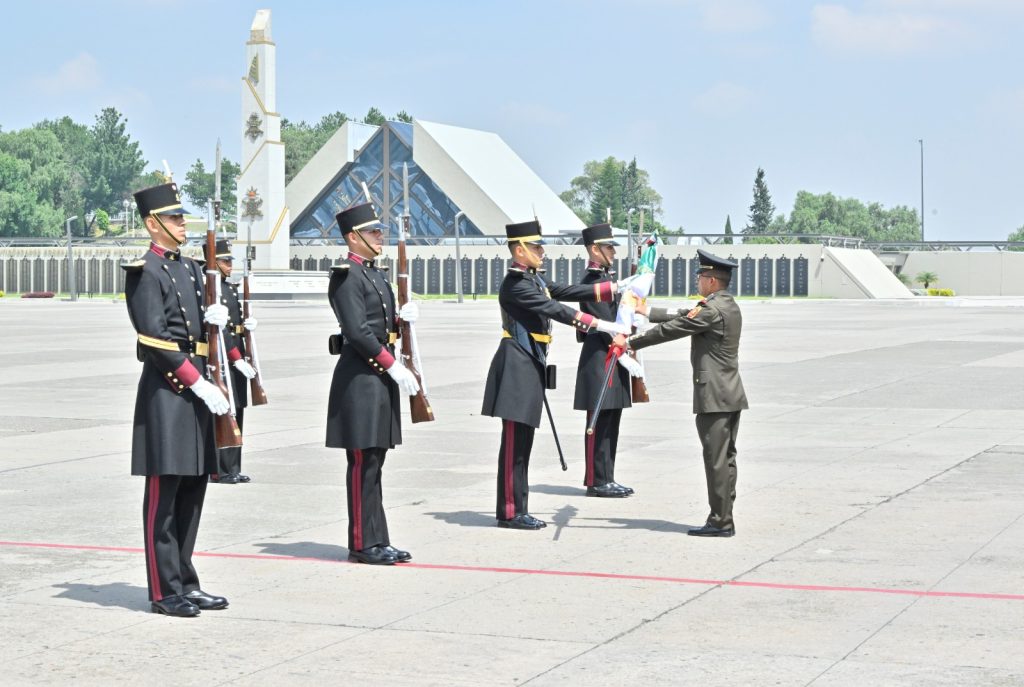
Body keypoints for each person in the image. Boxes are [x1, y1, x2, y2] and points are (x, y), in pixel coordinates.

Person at [122, 181, 232, 616]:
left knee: (192, 490)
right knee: (164, 497)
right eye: (173, 217)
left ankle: (186, 579)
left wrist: (216, 321)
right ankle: (164, 590)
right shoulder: (144, 271)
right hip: (169, 394)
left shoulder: (188, 268)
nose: (182, 223)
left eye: (182, 216)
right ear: (152, 224)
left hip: (197, 391)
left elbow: (195, 331)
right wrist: (195, 380)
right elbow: (154, 339)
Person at [481, 219, 629, 530]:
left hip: (530, 363)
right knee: (514, 443)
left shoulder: (534, 280)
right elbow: (557, 310)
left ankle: (517, 509)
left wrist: (614, 288)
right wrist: (601, 325)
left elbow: (567, 291)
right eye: (536, 246)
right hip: (516, 365)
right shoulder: (517, 284)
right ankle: (510, 511)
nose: (543, 251)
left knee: (524, 442)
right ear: (519, 250)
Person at [614, 248, 747, 537]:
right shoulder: (726, 305)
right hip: (730, 394)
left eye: (701, 275)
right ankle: (724, 515)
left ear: (711, 280)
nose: (698, 280)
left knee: (716, 460)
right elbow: (685, 313)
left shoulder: (712, 309)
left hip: (714, 397)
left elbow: (676, 327)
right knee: (725, 459)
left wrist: (631, 341)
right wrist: (646, 311)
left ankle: (720, 521)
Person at [326, 202, 420, 565]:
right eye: (373, 231)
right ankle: (362, 542)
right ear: (353, 237)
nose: (381, 236)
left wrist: (402, 319)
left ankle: (378, 538)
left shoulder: (377, 275)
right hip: (360, 379)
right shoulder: (345, 276)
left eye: (380, 231)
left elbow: (381, 325)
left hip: (379, 377)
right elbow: (358, 332)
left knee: (375, 463)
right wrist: (392, 364)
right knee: (363, 462)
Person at [573, 223, 640, 498]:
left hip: (614, 356)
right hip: (600, 357)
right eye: (609, 247)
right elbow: (608, 323)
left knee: (612, 420)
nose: (613, 251)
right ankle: (595, 479)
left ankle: (607, 476)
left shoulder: (605, 280)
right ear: (594, 249)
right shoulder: (591, 283)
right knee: (598, 421)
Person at [207, 239, 258, 485]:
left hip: (236, 356)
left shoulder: (228, 287)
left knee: (237, 413)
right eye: (225, 261)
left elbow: (233, 327)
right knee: (223, 414)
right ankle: (219, 469)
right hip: (224, 359)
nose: (229, 265)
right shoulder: (211, 289)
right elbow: (219, 330)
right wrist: (236, 358)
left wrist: (247, 328)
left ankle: (233, 466)